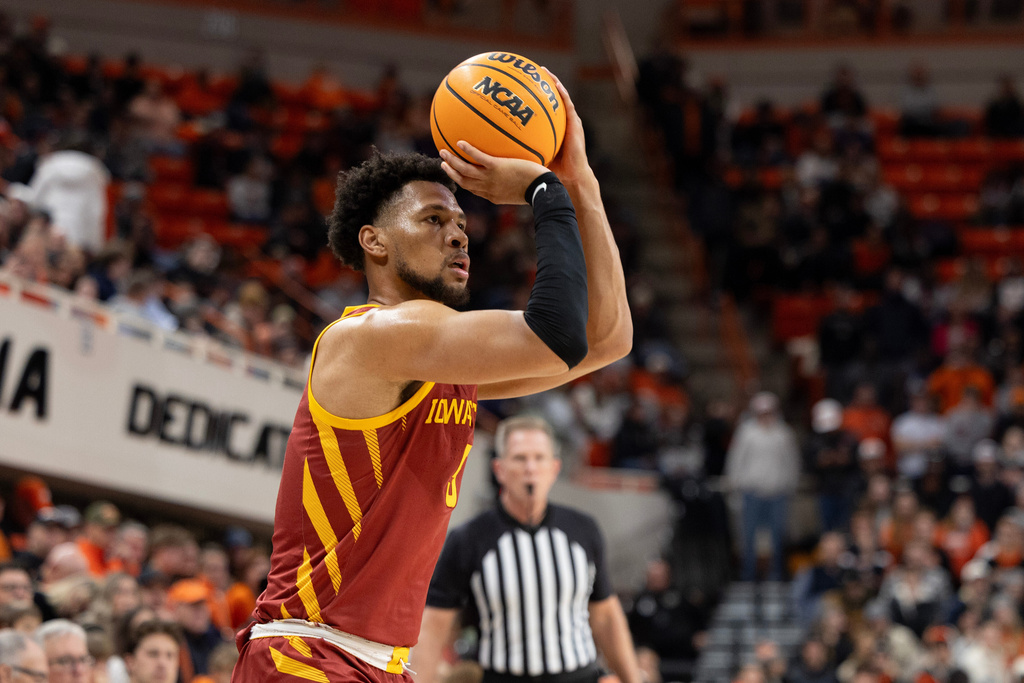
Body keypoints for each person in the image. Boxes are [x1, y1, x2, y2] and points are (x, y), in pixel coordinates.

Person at [230, 74, 632, 682]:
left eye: (462, 224)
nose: (458, 234)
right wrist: (544, 190)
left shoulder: (441, 363)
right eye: (433, 219)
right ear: (374, 242)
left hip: (377, 661)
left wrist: (583, 184)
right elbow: (558, 332)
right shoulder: (372, 337)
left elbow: (609, 340)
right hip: (306, 654)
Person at [414, 415, 642, 683]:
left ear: (554, 468)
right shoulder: (468, 539)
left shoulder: (583, 529)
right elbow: (434, 627)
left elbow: (605, 617)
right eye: (520, 458)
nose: (530, 468)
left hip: (578, 677)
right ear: (499, 468)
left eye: (539, 458)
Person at [725, 392, 800, 581]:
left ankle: (776, 575)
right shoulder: (746, 432)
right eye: (762, 413)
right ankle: (748, 574)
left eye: (768, 412)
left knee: (778, 536)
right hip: (752, 492)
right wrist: (734, 486)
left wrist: (791, 485)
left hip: (777, 493)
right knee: (748, 536)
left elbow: (792, 462)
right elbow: (736, 460)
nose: (765, 416)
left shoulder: (783, 433)